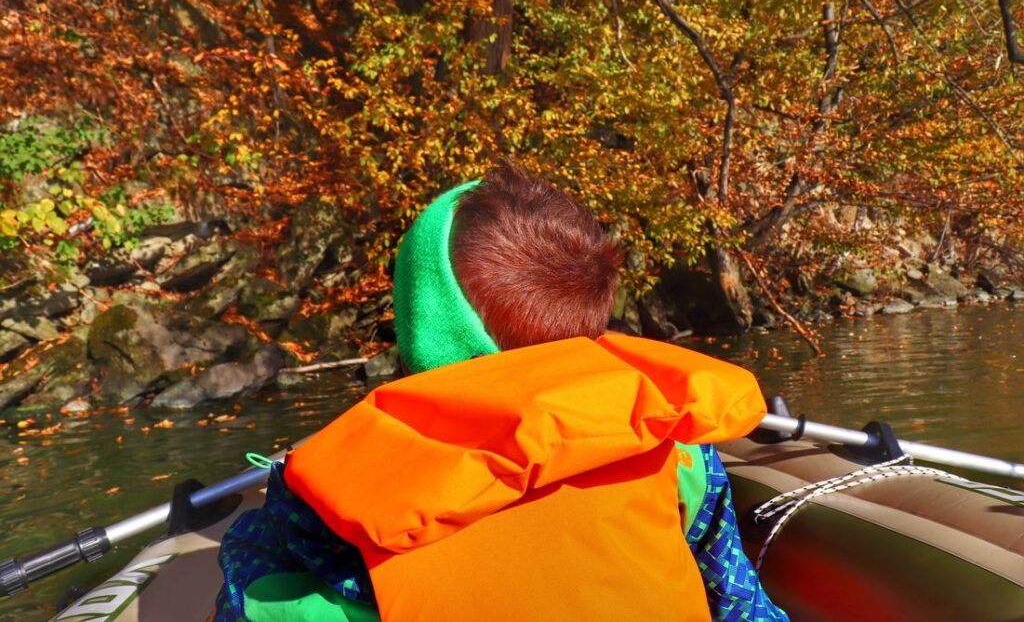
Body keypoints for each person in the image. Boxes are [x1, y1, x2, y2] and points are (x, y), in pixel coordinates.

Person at [216, 165, 787, 621]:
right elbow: (739, 603)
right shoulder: (679, 446)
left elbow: (265, 600)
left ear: (430, 330)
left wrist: (262, 520)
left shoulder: (324, 500)